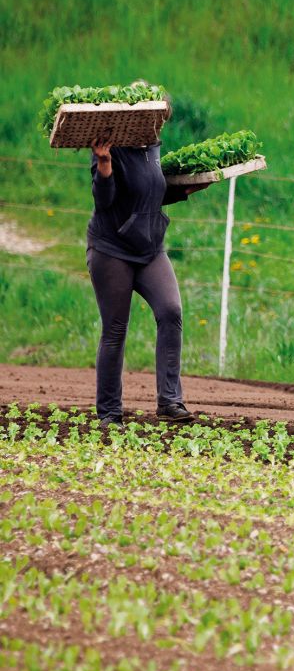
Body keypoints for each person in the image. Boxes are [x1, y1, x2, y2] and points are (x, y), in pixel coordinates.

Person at [87, 92, 197, 426]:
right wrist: (104, 166)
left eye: (161, 117)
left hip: (149, 248)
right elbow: (105, 201)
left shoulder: (152, 145)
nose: (156, 123)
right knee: (116, 330)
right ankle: (109, 413)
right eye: (151, 116)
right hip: (112, 250)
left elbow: (151, 191)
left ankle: (170, 402)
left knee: (171, 311)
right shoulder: (112, 146)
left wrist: (188, 188)